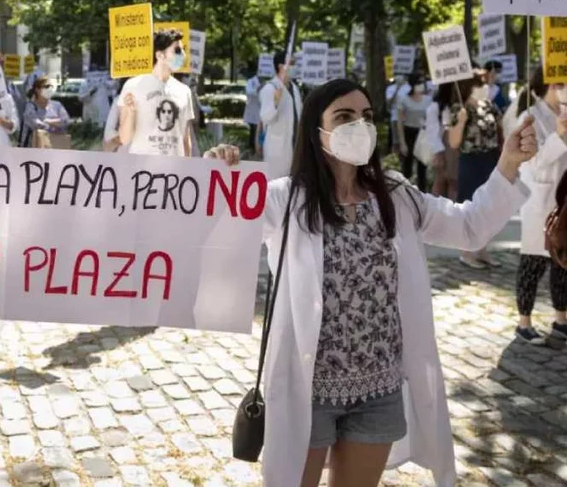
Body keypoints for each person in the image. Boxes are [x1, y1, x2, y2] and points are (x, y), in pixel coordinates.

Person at [205, 78, 536, 487]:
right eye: (343, 117)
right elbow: (216, 234)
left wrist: (507, 164)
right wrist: (216, 176)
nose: (358, 125)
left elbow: (469, 228)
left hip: (377, 389)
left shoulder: (396, 196)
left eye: (366, 116)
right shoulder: (284, 198)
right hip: (307, 390)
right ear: (316, 132)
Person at [512, 66, 567, 344]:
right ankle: (524, 322)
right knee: (533, 262)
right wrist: (558, 134)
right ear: (552, 85)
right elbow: (535, 161)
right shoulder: (529, 117)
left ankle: (561, 318)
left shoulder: (563, 114)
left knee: (561, 261)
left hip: (561, 200)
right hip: (539, 200)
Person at [448, 70, 503, 269]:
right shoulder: (459, 109)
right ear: (469, 87)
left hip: (490, 159)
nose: (484, 87)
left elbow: (500, 128)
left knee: (488, 206)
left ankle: (482, 250)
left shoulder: (490, 106)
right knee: (470, 207)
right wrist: (461, 122)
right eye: (480, 84)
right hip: (471, 161)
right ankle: (467, 252)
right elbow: (454, 142)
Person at [118, 28, 195, 157]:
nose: (182, 55)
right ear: (160, 55)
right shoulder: (133, 86)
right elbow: (124, 138)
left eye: (183, 50)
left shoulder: (184, 91)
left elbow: (185, 138)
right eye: (177, 50)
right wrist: (131, 113)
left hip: (174, 171)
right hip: (143, 170)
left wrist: (187, 169)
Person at [259, 51, 302, 178]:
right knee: (275, 185)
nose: (295, 67)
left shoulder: (294, 88)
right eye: (292, 64)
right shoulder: (270, 88)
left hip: (294, 144)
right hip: (277, 147)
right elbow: (266, 118)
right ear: (281, 66)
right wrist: (275, 103)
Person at [396, 74, 429, 190]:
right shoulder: (404, 100)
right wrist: (402, 142)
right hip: (408, 133)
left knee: (422, 167)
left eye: (422, 83)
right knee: (407, 167)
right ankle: (405, 191)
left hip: (422, 134)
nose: (421, 86)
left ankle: (422, 194)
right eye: (419, 83)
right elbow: (399, 122)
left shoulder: (428, 100)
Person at [426, 83, 458, 200]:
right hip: (442, 148)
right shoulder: (435, 107)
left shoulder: (459, 105)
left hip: (455, 148)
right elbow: (432, 131)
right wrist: (438, 152)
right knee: (441, 180)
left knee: (454, 182)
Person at [21, 75, 71, 148]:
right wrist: (56, 126)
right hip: (33, 149)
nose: (50, 89)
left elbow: (66, 121)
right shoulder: (30, 106)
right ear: (37, 90)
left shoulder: (57, 105)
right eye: (47, 86)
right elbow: (35, 124)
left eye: (51, 86)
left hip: (55, 147)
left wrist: (49, 121)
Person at [386, 76, 410, 154]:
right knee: (396, 142)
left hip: (408, 118)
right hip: (395, 117)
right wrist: (397, 89)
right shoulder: (390, 88)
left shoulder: (409, 87)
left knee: (407, 141)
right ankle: (395, 161)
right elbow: (389, 103)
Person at [243, 66, 262, 152]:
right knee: (254, 130)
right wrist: (258, 89)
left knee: (260, 131)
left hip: (261, 111)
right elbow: (249, 92)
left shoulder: (266, 83)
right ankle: (252, 148)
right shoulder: (251, 81)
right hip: (253, 110)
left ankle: (258, 148)